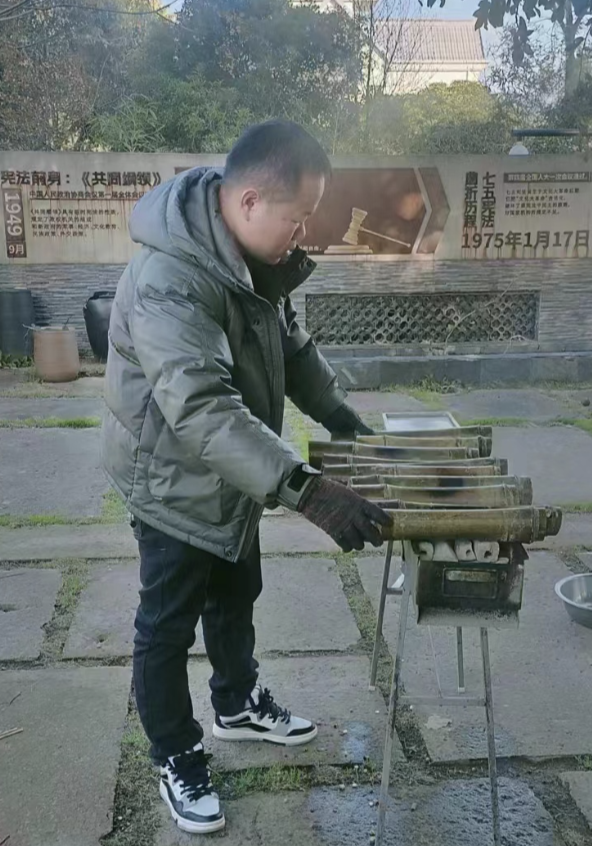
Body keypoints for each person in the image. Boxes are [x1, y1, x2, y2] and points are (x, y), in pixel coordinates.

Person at [101, 119, 392, 835]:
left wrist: (342, 418)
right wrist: (307, 489)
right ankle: (176, 752)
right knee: (166, 625)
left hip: (235, 469)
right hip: (172, 479)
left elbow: (289, 345)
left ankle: (236, 703)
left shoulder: (251, 253)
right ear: (252, 200)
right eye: (298, 216)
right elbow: (201, 407)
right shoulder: (171, 277)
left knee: (236, 590)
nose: (304, 231)